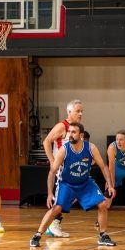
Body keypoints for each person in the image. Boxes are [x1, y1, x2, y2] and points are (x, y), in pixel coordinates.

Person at [30, 122, 116, 248]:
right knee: (56, 209)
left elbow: (103, 166)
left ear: (81, 135)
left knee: (103, 204)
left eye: (73, 132)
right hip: (67, 184)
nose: (70, 134)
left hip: (85, 183)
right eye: (69, 131)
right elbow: (52, 172)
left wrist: (110, 185)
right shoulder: (64, 150)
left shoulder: (91, 148)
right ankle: (37, 235)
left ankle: (103, 236)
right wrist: (49, 193)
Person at [41, 99, 84, 238]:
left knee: (75, 195)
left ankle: (54, 223)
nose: (81, 113)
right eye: (78, 111)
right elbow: (46, 141)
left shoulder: (76, 127)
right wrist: (53, 161)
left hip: (71, 168)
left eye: (81, 111)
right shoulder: (62, 126)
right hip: (62, 168)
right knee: (68, 196)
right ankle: (53, 224)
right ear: (69, 112)